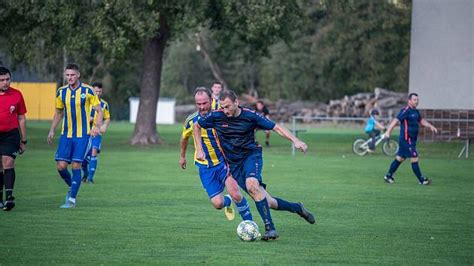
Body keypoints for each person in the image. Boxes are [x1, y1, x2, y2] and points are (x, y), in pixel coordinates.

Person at [193, 90, 315, 241]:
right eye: (223, 107)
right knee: (269, 202)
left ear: (236, 102)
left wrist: (295, 140)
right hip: (234, 165)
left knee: (251, 185)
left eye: (228, 106)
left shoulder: (250, 115)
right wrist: (199, 149)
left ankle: (270, 229)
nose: (225, 110)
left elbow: (276, 127)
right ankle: (298, 208)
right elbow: (196, 126)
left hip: (251, 156)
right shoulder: (217, 116)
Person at [180, 87, 253, 222]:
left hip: (224, 161)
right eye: (199, 104)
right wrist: (182, 156)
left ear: (212, 100)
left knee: (236, 193)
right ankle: (227, 201)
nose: (202, 107)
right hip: (205, 167)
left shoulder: (220, 115)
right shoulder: (191, 120)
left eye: (205, 103)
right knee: (218, 204)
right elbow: (184, 138)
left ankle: (250, 224)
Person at [47, 63, 103, 208]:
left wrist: (97, 126)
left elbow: (99, 110)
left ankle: (71, 200)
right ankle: (73, 185)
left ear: (78, 75)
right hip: (66, 134)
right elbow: (59, 112)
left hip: (83, 135)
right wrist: (52, 129)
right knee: (61, 166)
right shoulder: (61, 92)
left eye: (73, 75)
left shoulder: (88, 90)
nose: (70, 77)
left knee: (77, 164)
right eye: (68, 75)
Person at [383, 93, 438, 185]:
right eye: (414, 100)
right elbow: (395, 120)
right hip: (406, 139)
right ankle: (421, 180)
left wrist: (430, 126)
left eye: (417, 100)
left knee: (400, 158)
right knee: (414, 157)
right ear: (409, 101)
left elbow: (421, 120)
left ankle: (388, 176)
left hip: (412, 140)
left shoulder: (415, 111)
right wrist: (388, 132)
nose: (417, 101)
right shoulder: (406, 111)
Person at [0, 66, 27, 211]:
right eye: (2, 80)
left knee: (8, 162)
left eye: (7, 79)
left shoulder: (17, 95)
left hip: (11, 135)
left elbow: (21, 118)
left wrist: (24, 140)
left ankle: (9, 197)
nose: (5, 82)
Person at [81, 82, 111, 184]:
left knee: (93, 153)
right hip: (85, 132)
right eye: (96, 91)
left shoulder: (104, 104)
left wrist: (104, 126)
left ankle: (90, 178)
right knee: (83, 158)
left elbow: (107, 118)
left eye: (99, 91)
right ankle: (85, 173)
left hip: (96, 133)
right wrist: (87, 119)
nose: (97, 93)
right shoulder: (86, 102)